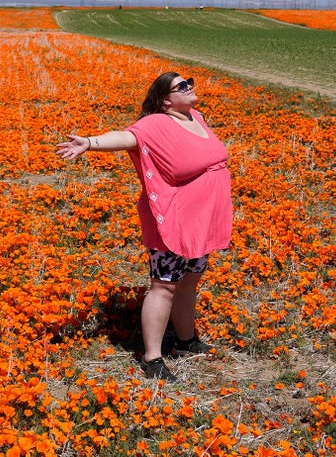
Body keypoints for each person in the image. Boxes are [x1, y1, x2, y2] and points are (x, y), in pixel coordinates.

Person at [56, 72, 233, 382]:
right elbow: (127, 138)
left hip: (201, 220)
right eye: (181, 86)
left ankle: (185, 340)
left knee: (189, 281)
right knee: (164, 285)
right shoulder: (154, 124)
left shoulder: (196, 117)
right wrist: (90, 143)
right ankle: (152, 357)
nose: (189, 87)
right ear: (165, 100)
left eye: (189, 81)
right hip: (173, 220)